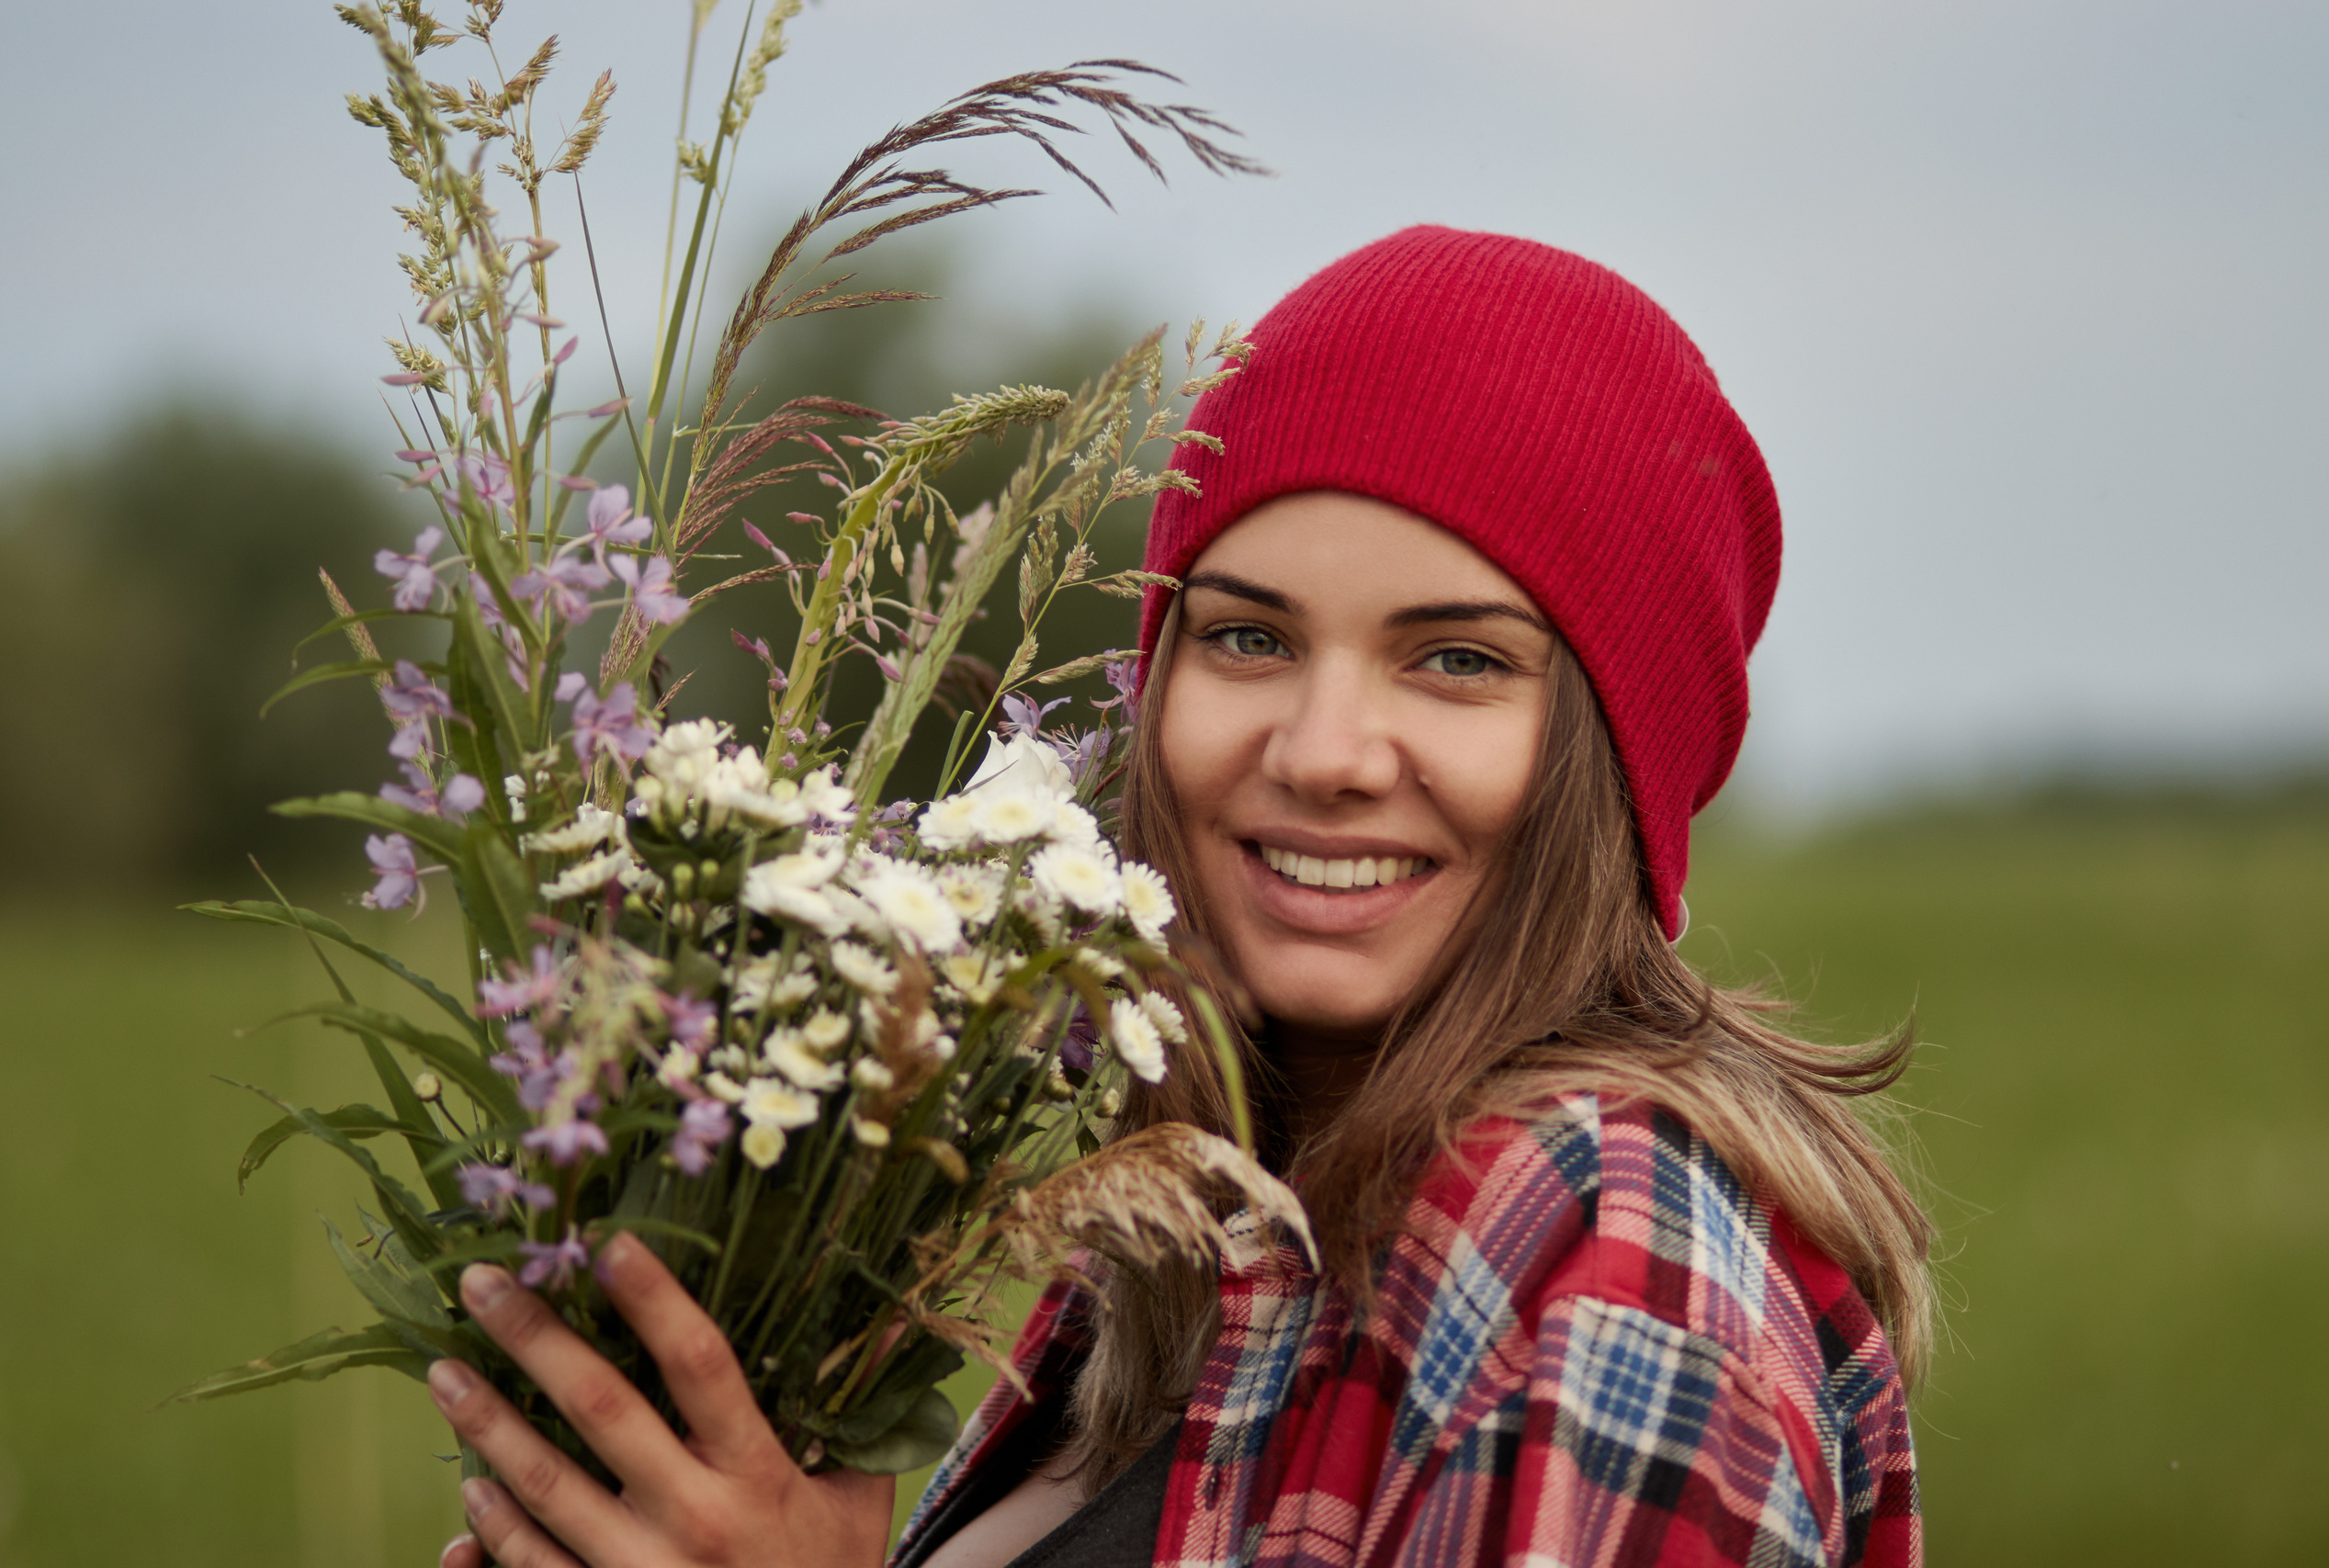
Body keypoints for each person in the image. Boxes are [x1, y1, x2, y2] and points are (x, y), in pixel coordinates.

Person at [426, 226, 1933, 1568]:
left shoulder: (1607, 1264)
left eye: (1458, 659)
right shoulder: (1198, 1238)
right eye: (1250, 639)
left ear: (1615, 760)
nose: (1324, 753)